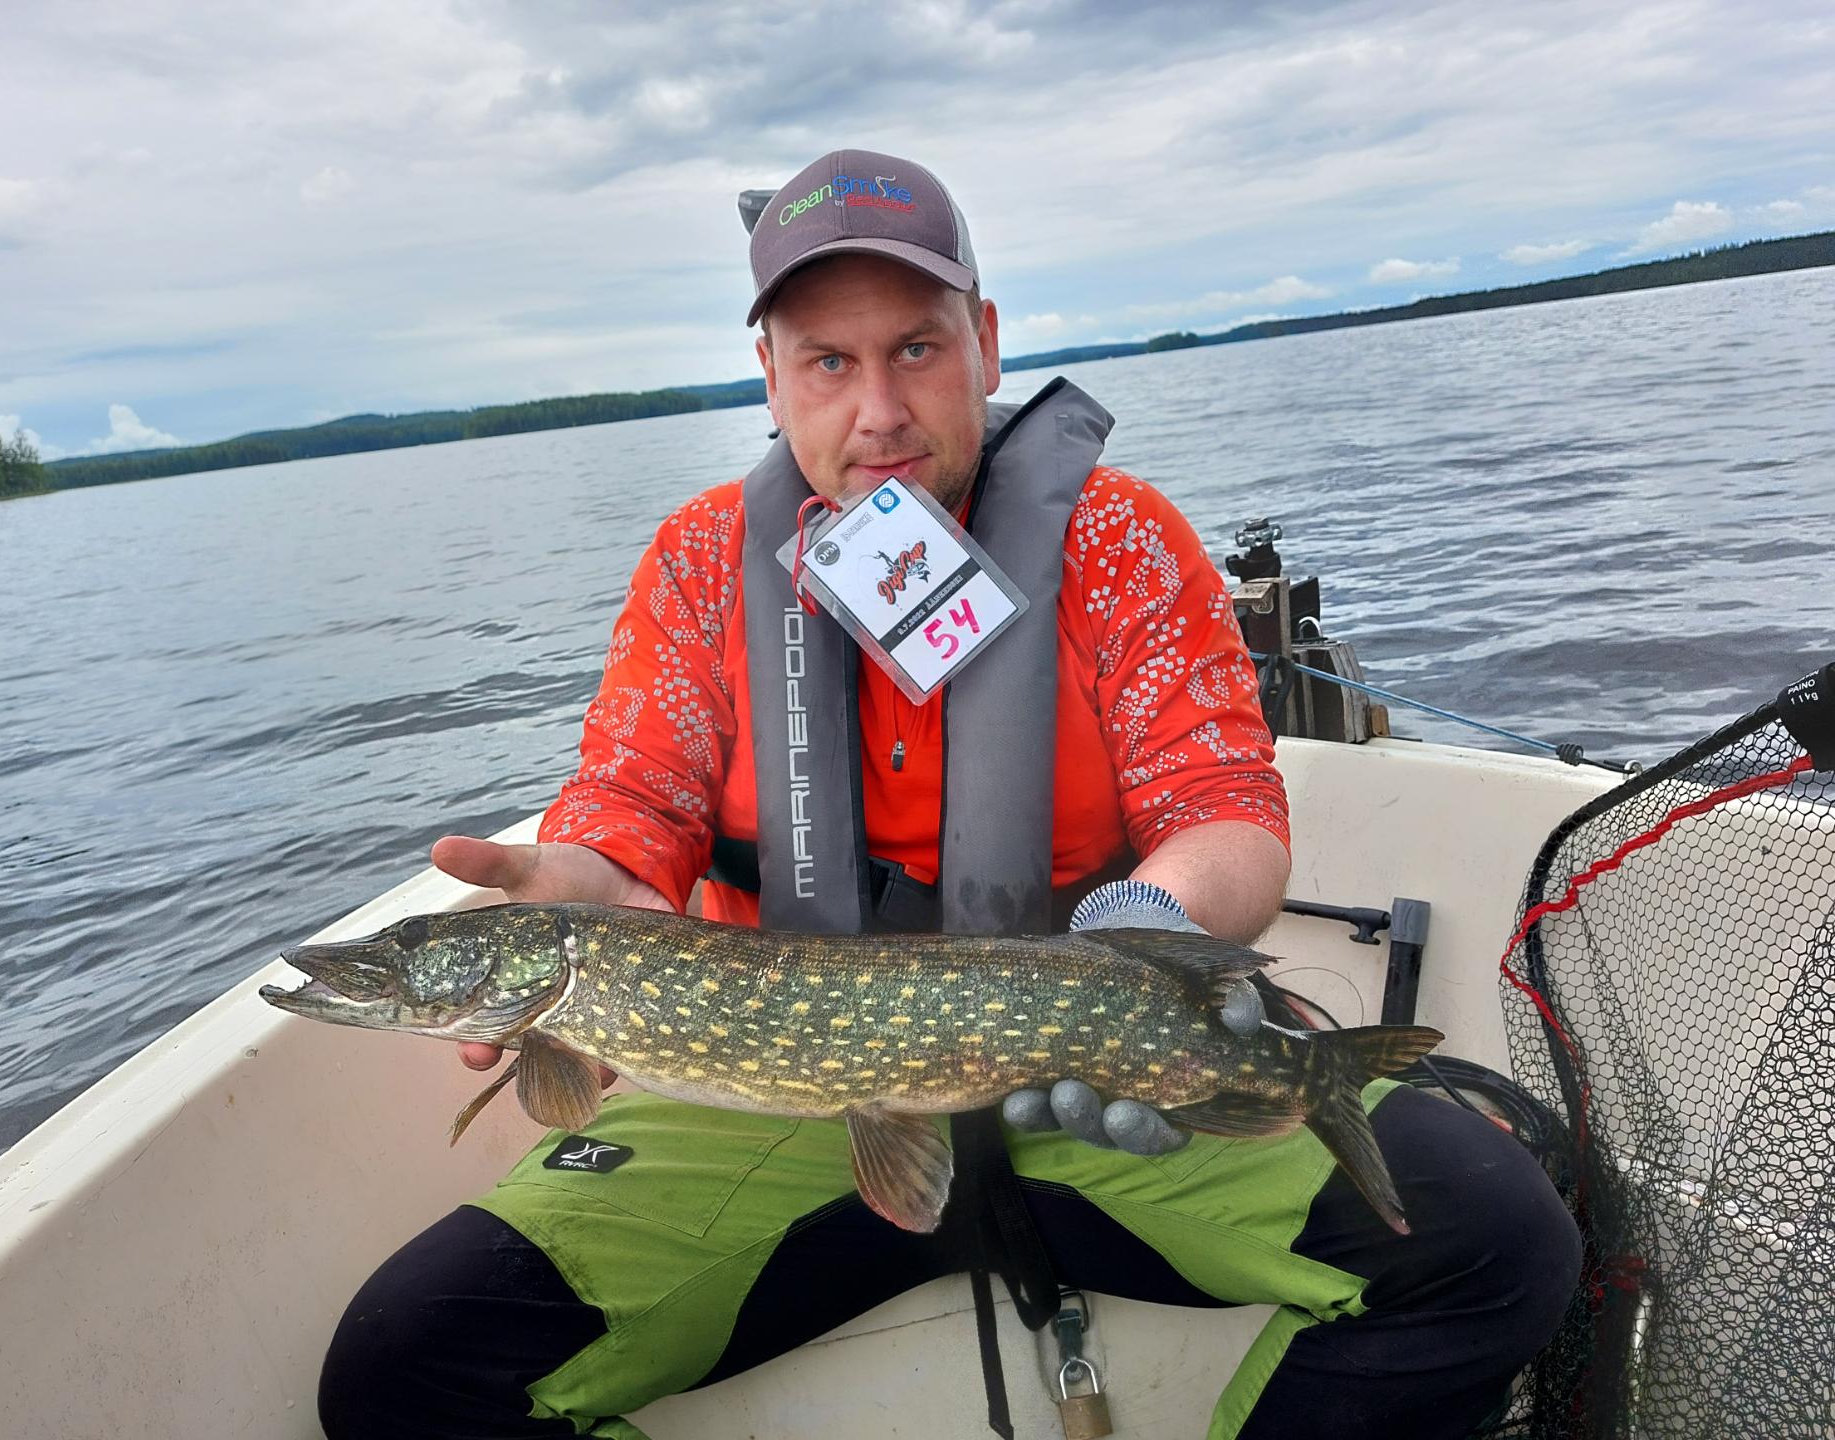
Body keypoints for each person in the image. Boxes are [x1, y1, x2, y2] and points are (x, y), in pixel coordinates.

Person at [318, 149, 1579, 1440]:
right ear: (770, 376)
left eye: (915, 349)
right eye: (829, 361)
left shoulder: (1119, 539)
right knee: (404, 1368)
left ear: (985, 342)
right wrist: (585, 874)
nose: (880, 412)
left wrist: (1144, 931)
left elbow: (1226, 807)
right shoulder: (701, 565)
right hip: (779, 1104)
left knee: (1499, 1244)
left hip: (1095, 1069)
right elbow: (633, 795)